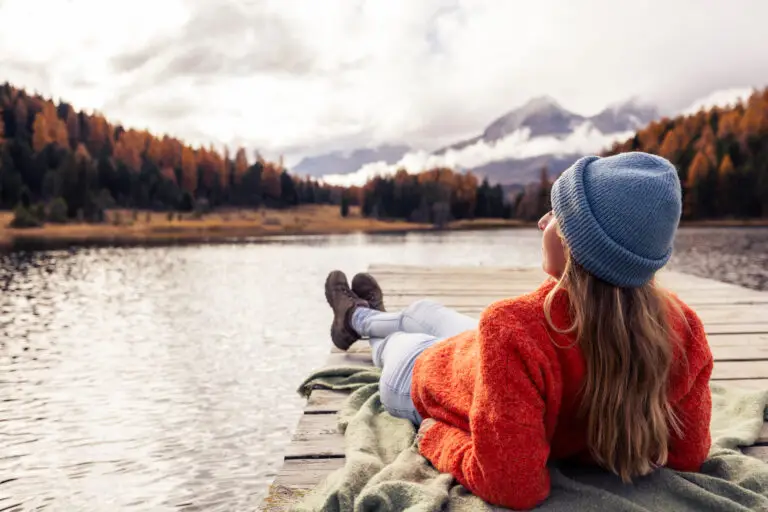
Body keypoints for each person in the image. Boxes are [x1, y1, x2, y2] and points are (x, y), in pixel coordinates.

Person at [323, 152, 713, 510]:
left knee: (397, 343)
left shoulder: (513, 327)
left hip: (421, 376)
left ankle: (358, 320)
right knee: (426, 312)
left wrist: (434, 436)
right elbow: (689, 453)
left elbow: (514, 486)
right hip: (484, 360)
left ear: (579, 245)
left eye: (556, 213)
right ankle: (365, 315)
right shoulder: (684, 328)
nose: (543, 221)